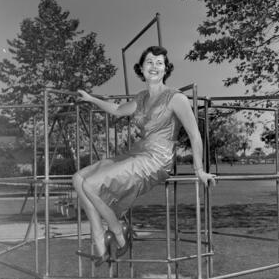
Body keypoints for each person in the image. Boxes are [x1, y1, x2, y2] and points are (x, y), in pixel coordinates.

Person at [72, 46, 216, 266]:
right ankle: (100, 244)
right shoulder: (141, 98)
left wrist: (199, 170)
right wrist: (92, 99)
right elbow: (118, 110)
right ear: (141, 68)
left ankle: (118, 233)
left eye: (160, 62)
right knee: (79, 178)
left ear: (166, 68)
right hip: (138, 151)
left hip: (157, 159)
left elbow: (195, 135)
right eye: (149, 62)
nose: (154, 66)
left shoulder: (176, 98)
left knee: (90, 185)